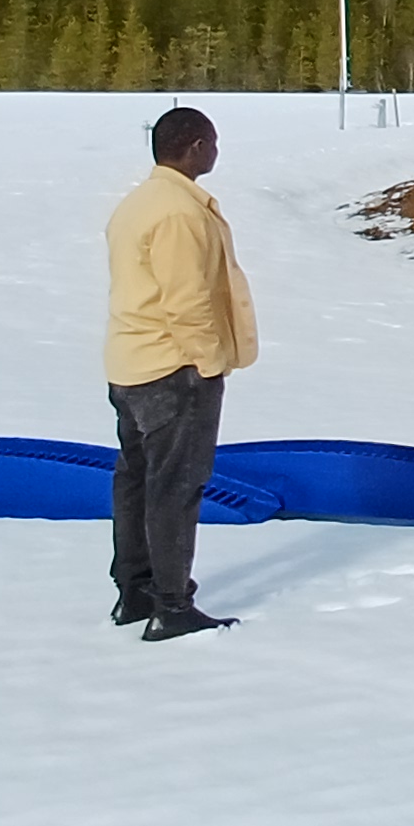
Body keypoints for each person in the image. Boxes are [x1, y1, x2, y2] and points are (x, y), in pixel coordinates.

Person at [104, 105, 257, 640]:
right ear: (194, 146)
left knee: (137, 480)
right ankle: (171, 604)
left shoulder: (138, 203)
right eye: (212, 142)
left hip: (130, 363)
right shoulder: (179, 212)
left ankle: (135, 591)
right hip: (173, 369)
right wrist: (209, 363)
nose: (216, 151)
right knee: (175, 485)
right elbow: (186, 300)